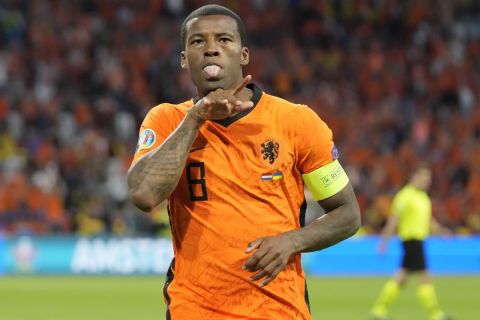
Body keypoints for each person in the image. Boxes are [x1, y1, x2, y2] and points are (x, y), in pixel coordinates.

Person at [127, 4, 361, 319]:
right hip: (194, 310)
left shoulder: (296, 122)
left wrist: (291, 241)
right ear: (184, 60)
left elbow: (347, 213)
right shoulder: (168, 120)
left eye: (224, 40)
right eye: (198, 42)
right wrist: (195, 118)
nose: (211, 49)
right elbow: (143, 195)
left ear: (244, 54)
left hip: (278, 310)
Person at [371, 165, 452, 320]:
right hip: (411, 241)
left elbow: (429, 221)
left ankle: (379, 310)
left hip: (419, 241)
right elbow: (393, 221)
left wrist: (442, 231)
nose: (426, 181)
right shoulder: (404, 196)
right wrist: (384, 242)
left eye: (428, 178)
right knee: (424, 277)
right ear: (413, 176)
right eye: (423, 177)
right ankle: (435, 315)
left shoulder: (424, 198)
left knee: (401, 278)